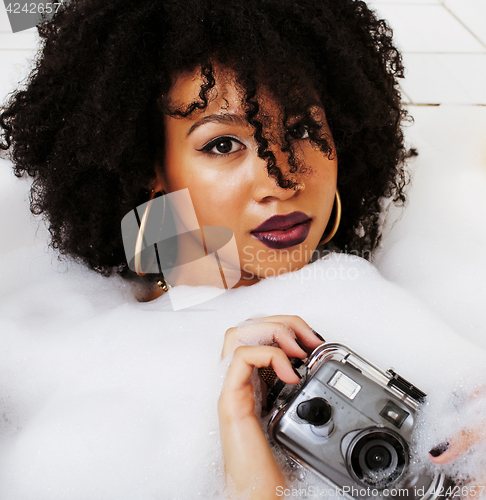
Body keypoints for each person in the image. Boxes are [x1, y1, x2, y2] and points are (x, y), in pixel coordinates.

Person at [0, 0, 481, 498]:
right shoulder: (52, 345)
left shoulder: (411, 311)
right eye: (223, 145)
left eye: (300, 130)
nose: (281, 179)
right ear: (150, 168)